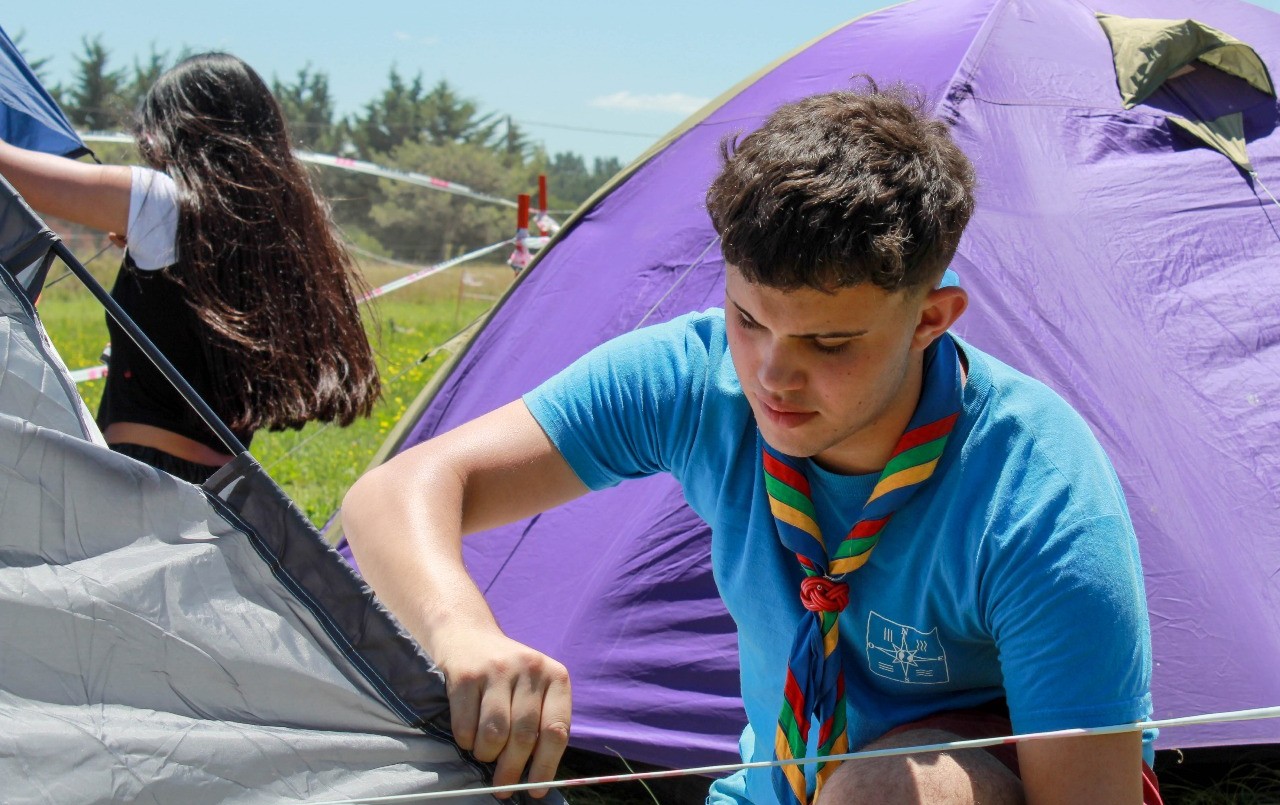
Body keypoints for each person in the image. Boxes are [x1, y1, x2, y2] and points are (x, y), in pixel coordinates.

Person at [341, 84, 1158, 804]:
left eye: (829, 343)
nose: (771, 375)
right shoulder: (700, 377)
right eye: (747, 318)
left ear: (931, 320)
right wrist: (462, 631)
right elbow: (394, 492)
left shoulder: (1039, 492)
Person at [0, 52, 380, 483]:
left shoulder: (161, 201)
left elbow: (12, 172)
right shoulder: (281, 227)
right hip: (224, 487)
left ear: (173, 129)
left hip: (143, 475)